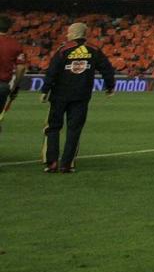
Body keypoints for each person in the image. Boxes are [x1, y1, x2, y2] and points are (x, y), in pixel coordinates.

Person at [42, 21, 116, 173]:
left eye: (69, 32)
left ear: (75, 33)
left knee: (54, 127)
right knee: (74, 129)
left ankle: (52, 162)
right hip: (81, 95)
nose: (67, 34)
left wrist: (45, 90)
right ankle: (67, 164)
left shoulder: (64, 50)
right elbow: (107, 69)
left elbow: (52, 71)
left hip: (59, 95)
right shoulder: (94, 50)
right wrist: (109, 87)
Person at [0, 15, 26, 134]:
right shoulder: (15, 44)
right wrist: (15, 87)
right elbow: (21, 68)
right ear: (9, 28)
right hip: (3, 86)